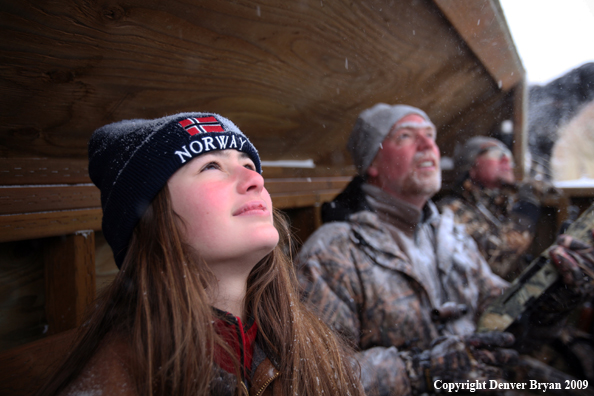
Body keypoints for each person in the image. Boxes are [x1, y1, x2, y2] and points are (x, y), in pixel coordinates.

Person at [36, 112, 364, 396]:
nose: (254, 179)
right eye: (211, 166)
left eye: (249, 164)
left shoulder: (310, 344)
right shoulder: (120, 380)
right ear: (152, 219)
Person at [297, 103, 594, 395]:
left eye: (430, 134)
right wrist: (420, 370)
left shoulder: (451, 234)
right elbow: (316, 377)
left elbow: (504, 325)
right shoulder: (333, 251)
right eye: (405, 136)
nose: (428, 145)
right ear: (371, 162)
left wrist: (556, 297)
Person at [436, 136, 546, 280]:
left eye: (508, 156)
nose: (506, 160)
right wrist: (527, 207)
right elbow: (497, 261)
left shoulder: (501, 204)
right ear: (472, 167)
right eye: (496, 155)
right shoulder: (452, 210)